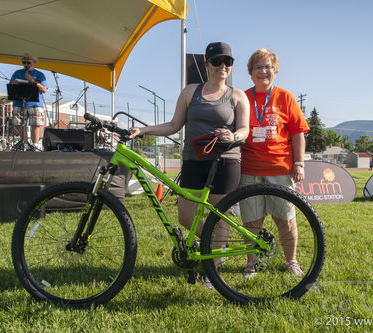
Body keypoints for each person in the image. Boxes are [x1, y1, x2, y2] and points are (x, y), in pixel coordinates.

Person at [130, 42, 249, 238]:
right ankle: (211, 243)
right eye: (217, 61)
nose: (222, 66)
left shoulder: (237, 96)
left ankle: (214, 263)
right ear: (207, 64)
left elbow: (245, 129)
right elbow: (173, 125)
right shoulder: (190, 92)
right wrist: (143, 130)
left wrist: (234, 136)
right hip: (194, 160)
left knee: (220, 217)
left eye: (227, 61)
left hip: (225, 161)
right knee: (185, 216)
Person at [239, 48, 310, 277]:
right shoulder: (242, 98)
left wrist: (299, 163)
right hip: (249, 170)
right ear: (251, 73)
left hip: (280, 170)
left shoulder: (285, 97)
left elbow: (298, 132)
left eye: (268, 66)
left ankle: (291, 261)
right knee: (251, 222)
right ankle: (251, 263)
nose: (263, 71)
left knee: (286, 220)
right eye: (258, 67)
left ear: (275, 71)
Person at [10, 53, 48, 149]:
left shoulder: (40, 75)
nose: (26, 64)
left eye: (28, 63)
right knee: (20, 124)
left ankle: (35, 145)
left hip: (35, 103)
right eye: (24, 62)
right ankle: (25, 144)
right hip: (19, 102)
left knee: (35, 124)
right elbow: (10, 87)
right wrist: (14, 84)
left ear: (34, 63)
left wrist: (32, 80)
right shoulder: (17, 73)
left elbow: (44, 89)